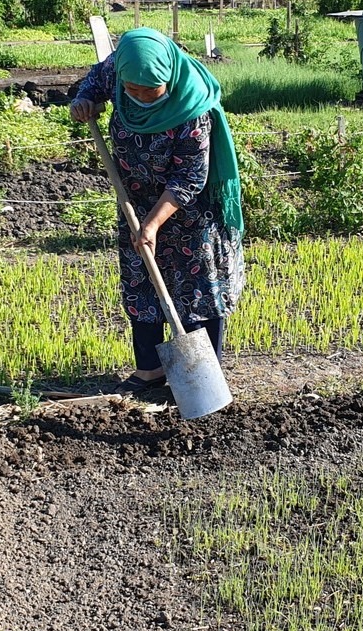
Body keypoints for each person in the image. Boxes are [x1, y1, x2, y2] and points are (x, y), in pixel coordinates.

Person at [70, 27, 245, 395]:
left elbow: (190, 177)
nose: (140, 96)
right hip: (134, 199)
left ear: (168, 76)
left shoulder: (192, 109)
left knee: (197, 287)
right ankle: (149, 369)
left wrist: (153, 224)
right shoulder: (119, 68)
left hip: (190, 211)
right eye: (132, 90)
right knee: (141, 280)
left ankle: (200, 372)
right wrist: (84, 101)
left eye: (151, 90)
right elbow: (93, 84)